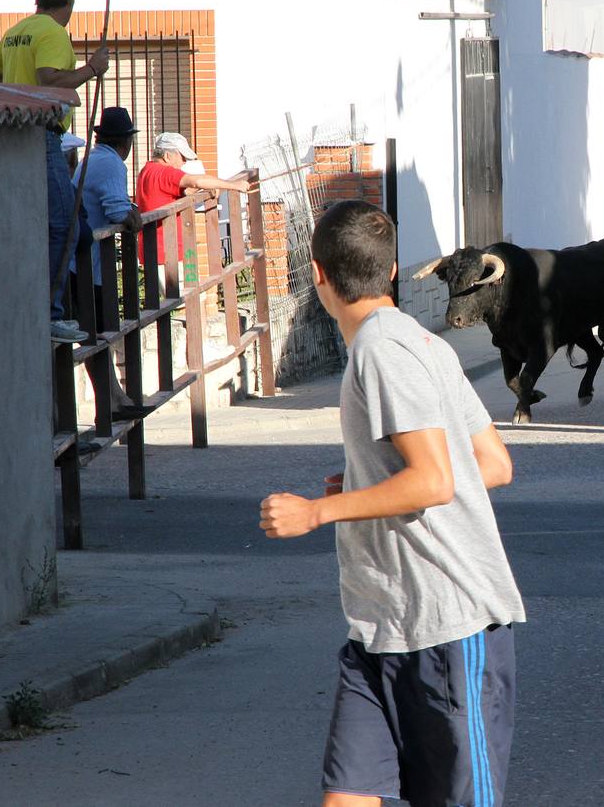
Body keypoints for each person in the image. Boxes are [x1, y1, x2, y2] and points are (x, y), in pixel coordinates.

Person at [259, 199, 525, 807]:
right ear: (394, 270)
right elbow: (489, 463)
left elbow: (433, 480)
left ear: (318, 274)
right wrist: (363, 487)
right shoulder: (417, 342)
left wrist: (316, 511)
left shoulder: (384, 353)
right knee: (346, 798)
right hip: (382, 629)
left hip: (447, 627)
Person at [0, 0, 109, 344]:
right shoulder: (53, 32)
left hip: (17, 138)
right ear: (68, 3)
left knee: (37, 225)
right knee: (64, 225)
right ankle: (50, 314)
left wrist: (15, 104)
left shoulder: (17, 30)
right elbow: (50, 78)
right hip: (45, 136)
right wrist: (92, 69)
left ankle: (37, 306)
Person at [70, 107, 145, 415]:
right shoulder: (112, 164)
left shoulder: (92, 159)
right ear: (125, 143)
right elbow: (116, 212)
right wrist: (134, 217)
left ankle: (116, 400)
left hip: (83, 263)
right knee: (99, 335)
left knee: (97, 336)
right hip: (88, 268)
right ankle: (112, 403)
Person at [135, 131, 254, 267]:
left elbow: (187, 188)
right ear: (167, 156)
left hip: (155, 250)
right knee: (182, 287)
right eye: (182, 157)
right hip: (168, 254)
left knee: (184, 286)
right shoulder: (165, 173)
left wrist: (209, 185)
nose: (184, 162)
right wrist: (233, 185)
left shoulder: (147, 170)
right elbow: (196, 181)